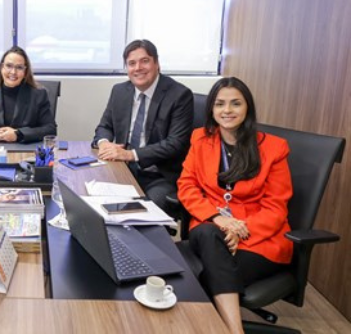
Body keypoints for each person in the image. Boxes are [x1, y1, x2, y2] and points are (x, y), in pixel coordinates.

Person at [177, 77, 292, 334]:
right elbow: (186, 186)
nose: (227, 110)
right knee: (207, 234)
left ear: (247, 107)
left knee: (194, 277)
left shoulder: (274, 148)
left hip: (258, 240)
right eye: (220, 104)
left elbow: (276, 207)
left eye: (235, 103)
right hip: (211, 226)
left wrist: (240, 230)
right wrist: (218, 218)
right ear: (211, 109)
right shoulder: (200, 139)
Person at [92, 39, 193, 214]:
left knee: (144, 213)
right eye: (132, 63)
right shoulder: (119, 91)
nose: (138, 68)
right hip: (122, 168)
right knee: (93, 200)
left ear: (157, 63)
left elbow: (175, 143)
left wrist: (130, 154)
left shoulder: (179, 95)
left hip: (159, 175)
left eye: (144, 61)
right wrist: (104, 143)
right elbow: (104, 126)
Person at [0, 46, 56, 143]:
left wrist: (18, 134)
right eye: (9, 66)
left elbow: (50, 129)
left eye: (19, 67)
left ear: (25, 72)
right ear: (1, 68)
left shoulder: (38, 95)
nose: (13, 72)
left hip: (26, 149)